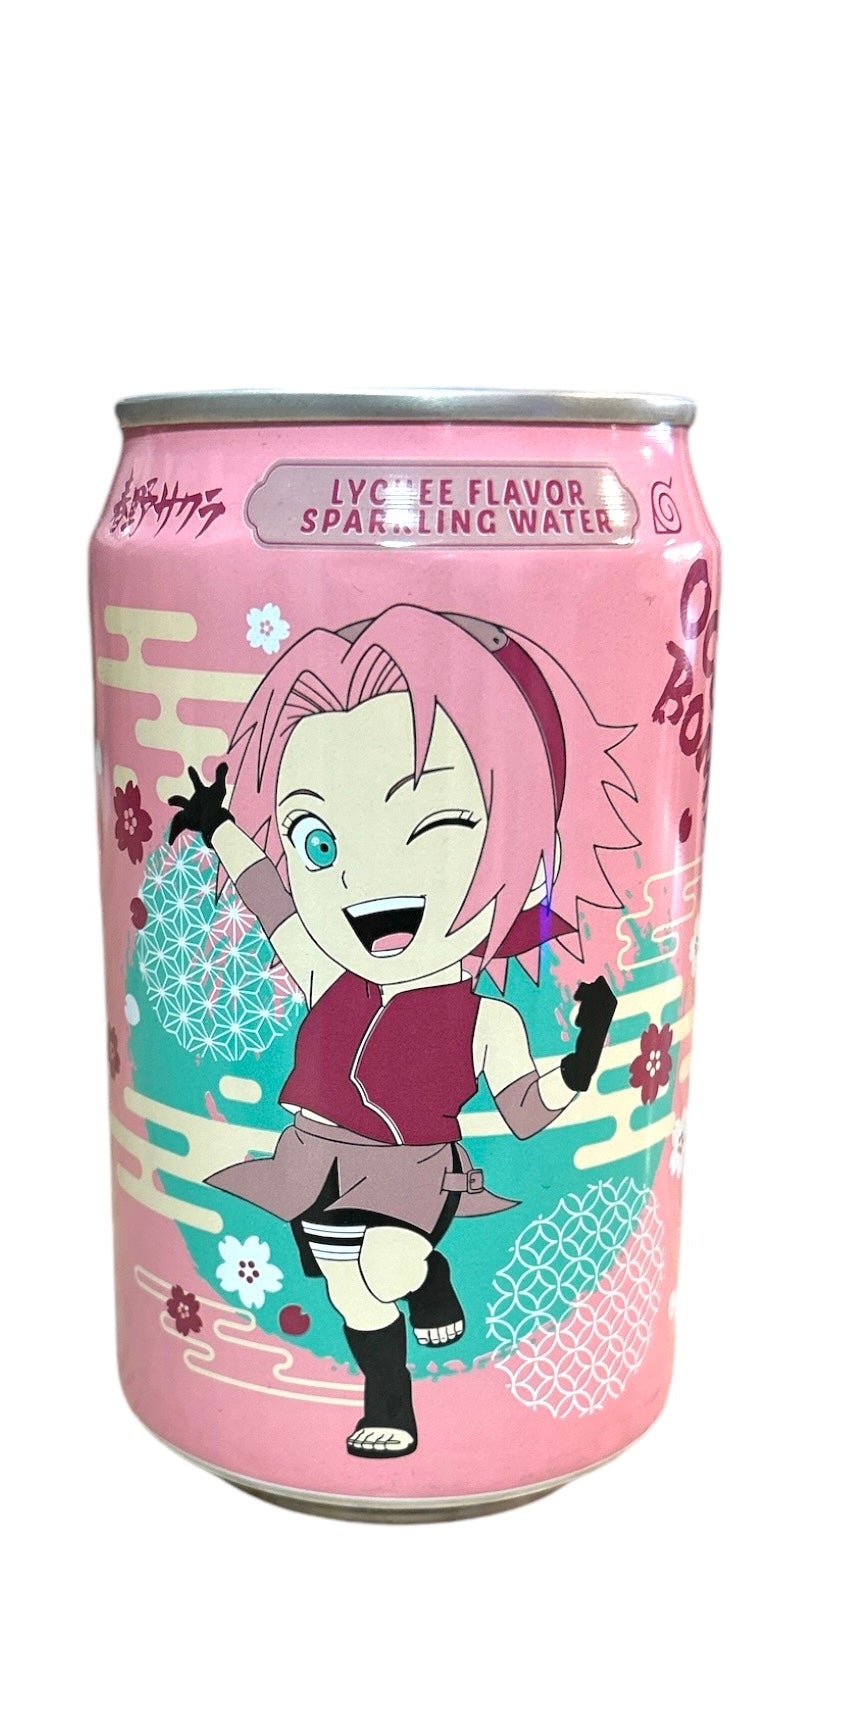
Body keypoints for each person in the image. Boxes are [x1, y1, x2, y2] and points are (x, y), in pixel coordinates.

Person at [168, 606, 633, 1460]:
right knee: (354, 1294)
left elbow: (524, 1112)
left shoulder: (484, 1017)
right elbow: (271, 902)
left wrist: (586, 1051)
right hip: (314, 1159)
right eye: (318, 841)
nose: (363, 877)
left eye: (434, 827)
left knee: (384, 1261)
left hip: (412, 1173)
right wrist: (221, 827)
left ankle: (421, 1286)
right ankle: (395, 1379)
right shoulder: (325, 970)